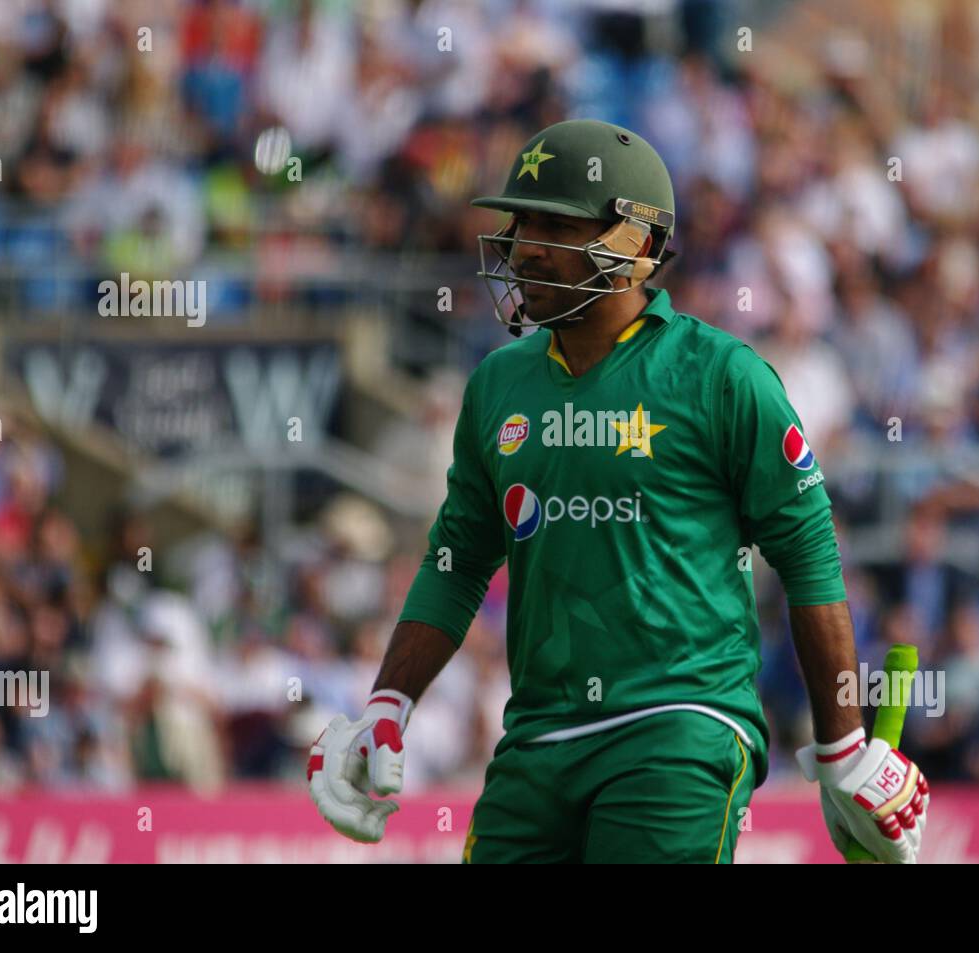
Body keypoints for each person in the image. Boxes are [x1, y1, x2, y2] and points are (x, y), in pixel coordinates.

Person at [307, 119, 929, 863]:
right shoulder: (498, 384)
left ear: (633, 240)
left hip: (679, 723)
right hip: (537, 735)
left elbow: (809, 553)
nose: (522, 244)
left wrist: (843, 746)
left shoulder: (720, 376)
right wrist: (387, 703)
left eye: (552, 223)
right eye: (519, 220)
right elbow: (458, 561)